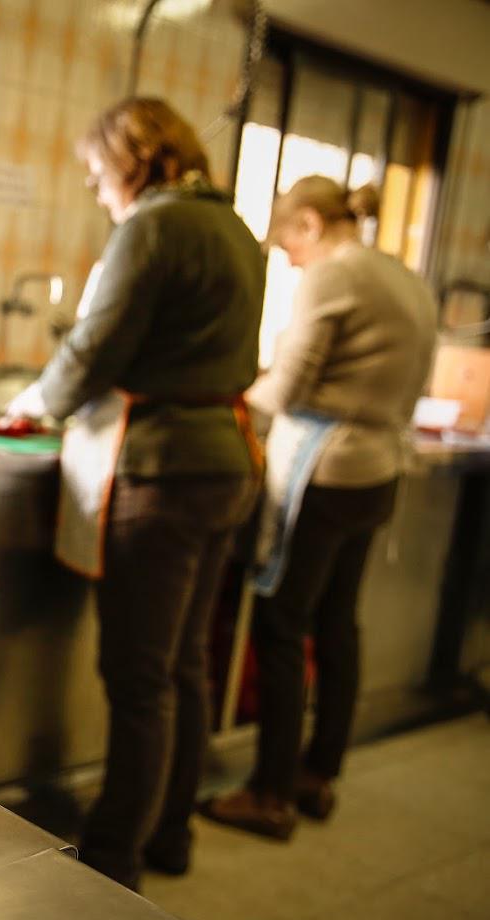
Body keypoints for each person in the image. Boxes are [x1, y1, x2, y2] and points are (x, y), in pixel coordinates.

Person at [7, 97, 264, 890]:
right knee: (185, 664)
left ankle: (113, 862)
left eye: (95, 170)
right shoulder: (237, 231)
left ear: (133, 158)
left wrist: (30, 404)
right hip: (226, 460)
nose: (93, 187)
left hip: (161, 470)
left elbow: (95, 345)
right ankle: (171, 832)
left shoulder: (153, 226)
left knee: (139, 677)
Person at [201, 177, 437, 839]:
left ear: (307, 223)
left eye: (287, 246)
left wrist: (226, 399)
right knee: (337, 621)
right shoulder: (400, 275)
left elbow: (290, 382)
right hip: (378, 470)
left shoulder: (333, 276)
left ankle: (268, 794)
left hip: (327, 471)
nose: (290, 261)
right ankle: (317, 772)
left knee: (280, 626)